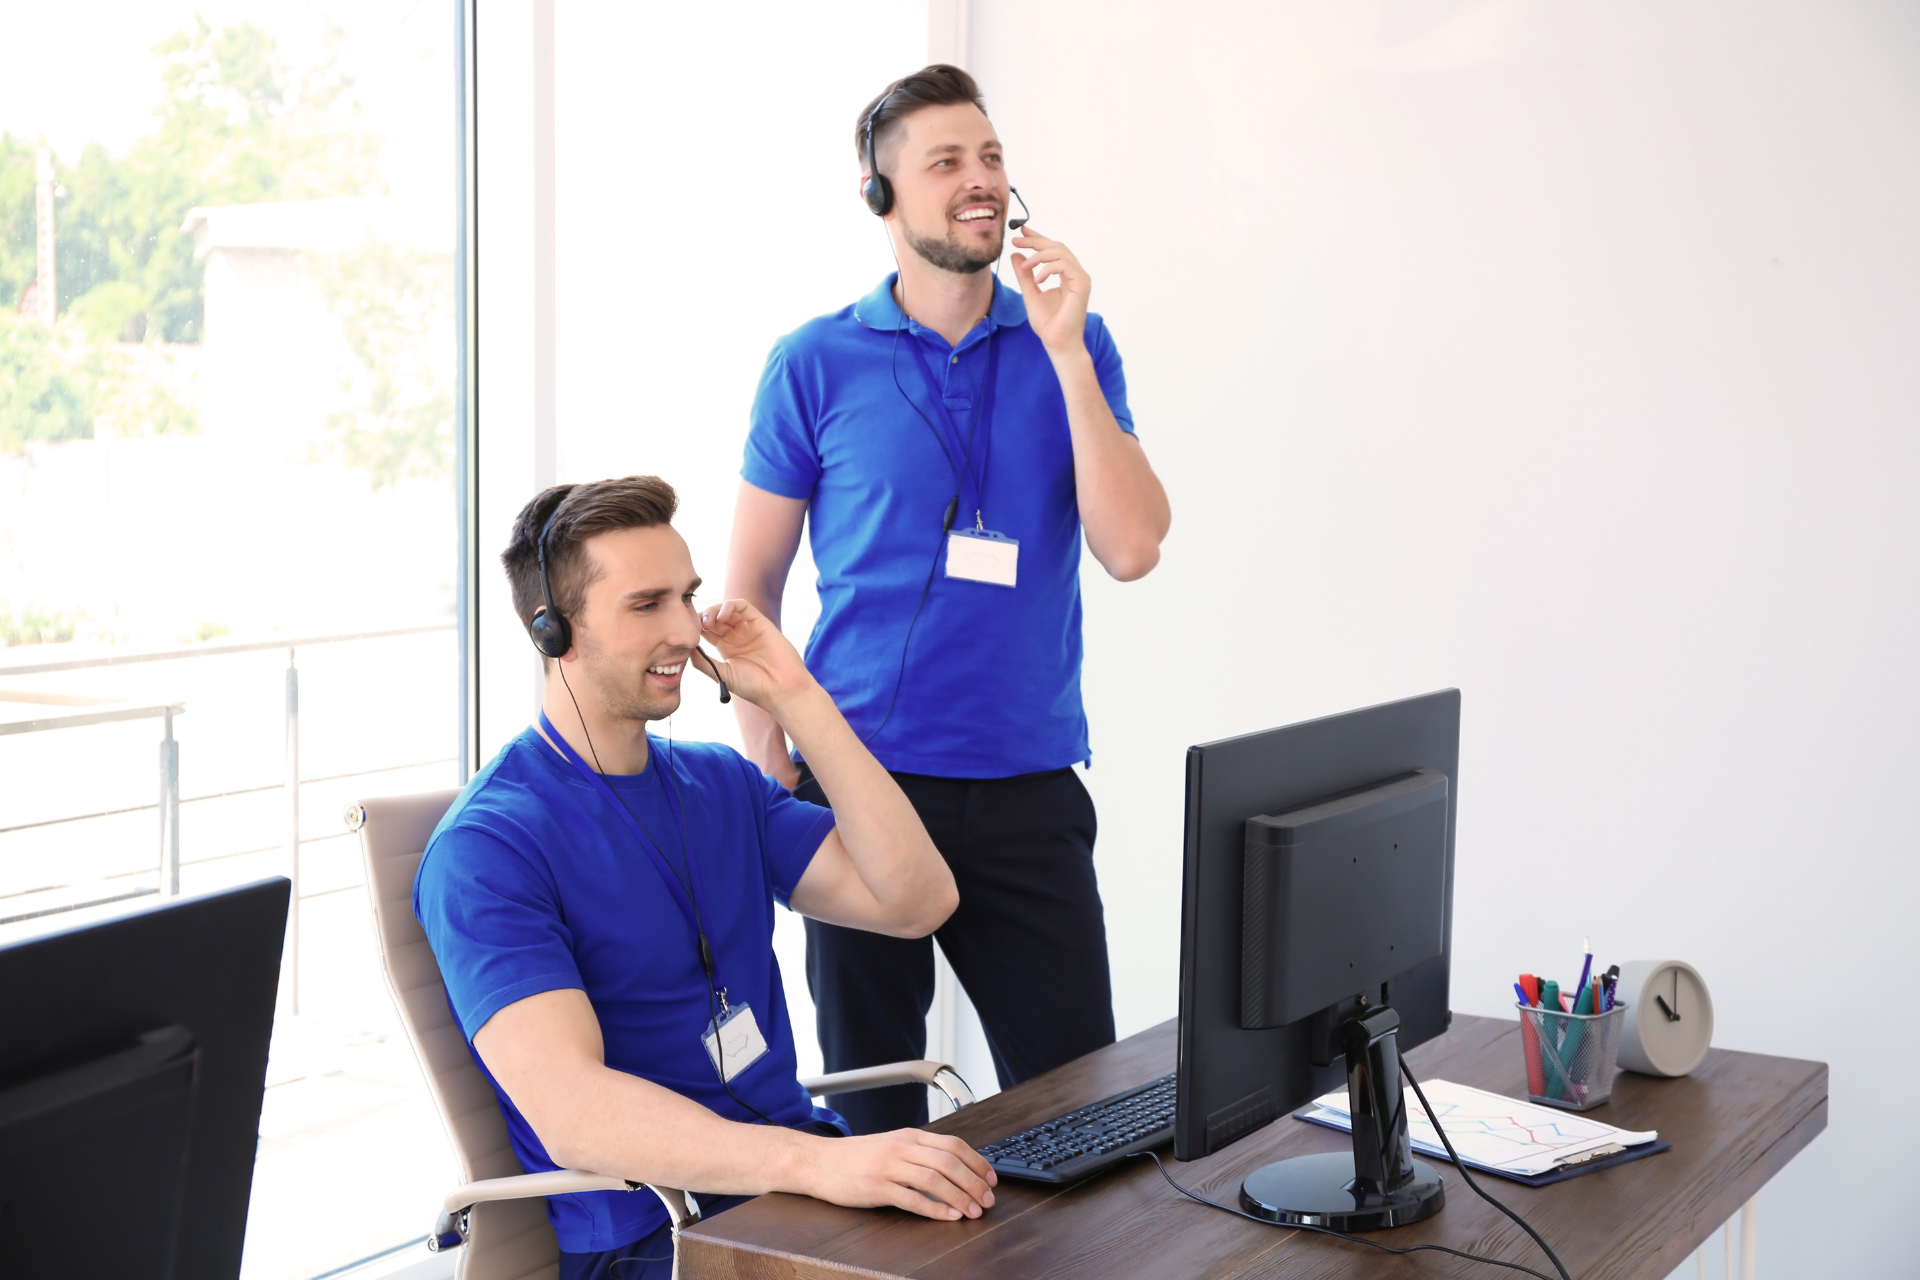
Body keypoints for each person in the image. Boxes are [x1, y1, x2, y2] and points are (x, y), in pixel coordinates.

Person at [726, 65, 1172, 1134]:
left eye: (992, 158)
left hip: (1029, 789)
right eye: (945, 162)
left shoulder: (1075, 346)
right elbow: (748, 592)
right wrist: (770, 775)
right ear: (883, 199)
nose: (980, 180)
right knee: (876, 1118)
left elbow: (1133, 545)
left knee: (1085, 1113)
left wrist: (1064, 348)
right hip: (859, 786)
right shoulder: (814, 364)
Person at [414, 476, 996, 1280]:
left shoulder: (721, 784)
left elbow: (917, 902)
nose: (688, 630)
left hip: (792, 1190)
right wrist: (816, 1166)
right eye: (647, 604)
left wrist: (796, 696)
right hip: (658, 1233)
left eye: (688, 596)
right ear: (553, 632)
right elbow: (574, 1114)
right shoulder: (489, 847)